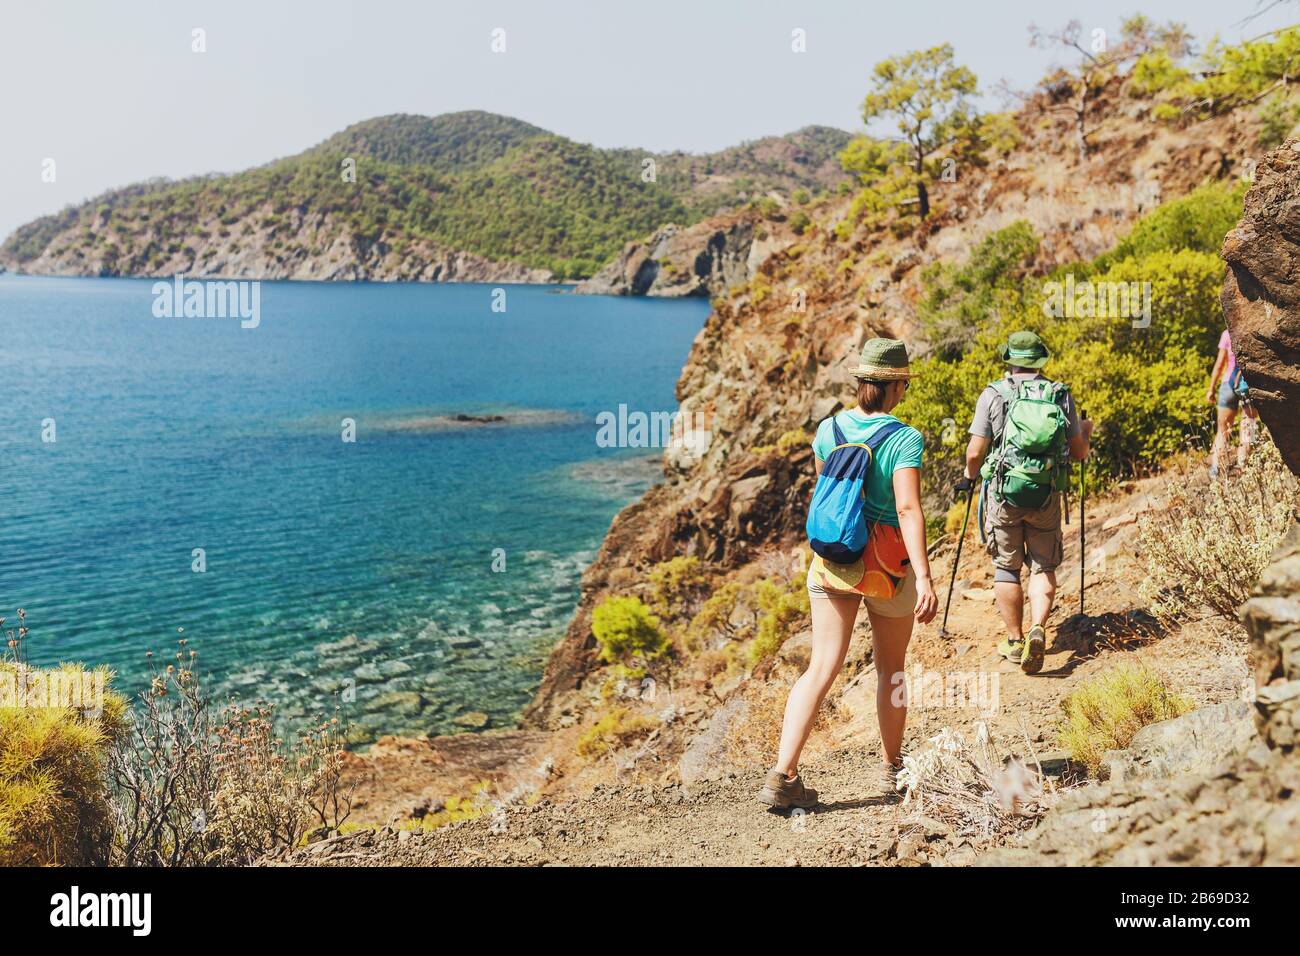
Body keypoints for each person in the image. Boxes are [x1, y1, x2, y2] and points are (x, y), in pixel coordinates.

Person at [758, 338, 937, 810]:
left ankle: (784, 773)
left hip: (834, 560)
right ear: (898, 386)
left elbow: (828, 487)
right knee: (891, 670)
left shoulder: (828, 427)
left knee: (820, 667)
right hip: (887, 568)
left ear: (861, 383)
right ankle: (892, 769)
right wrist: (926, 574)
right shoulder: (905, 438)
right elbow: (906, 507)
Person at [957, 331, 1092, 675]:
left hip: (1003, 494)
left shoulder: (994, 394)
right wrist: (1086, 431)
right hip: (1046, 493)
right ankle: (1038, 627)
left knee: (1007, 567)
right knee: (1043, 566)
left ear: (1010, 360)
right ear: (1040, 361)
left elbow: (975, 452)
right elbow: (1078, 453)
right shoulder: (1059, 394)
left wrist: (969, 478)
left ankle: (1016, 641)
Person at [1206, 328, 1258, 480]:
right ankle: (1244, 467)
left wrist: (1211, 389)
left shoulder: (1226, 334)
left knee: (1222, 430)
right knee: (1248, 425)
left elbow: (1219, 364)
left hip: (1228, 383)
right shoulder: (1252, 331)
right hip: (1248, 384)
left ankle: (1216, 470)